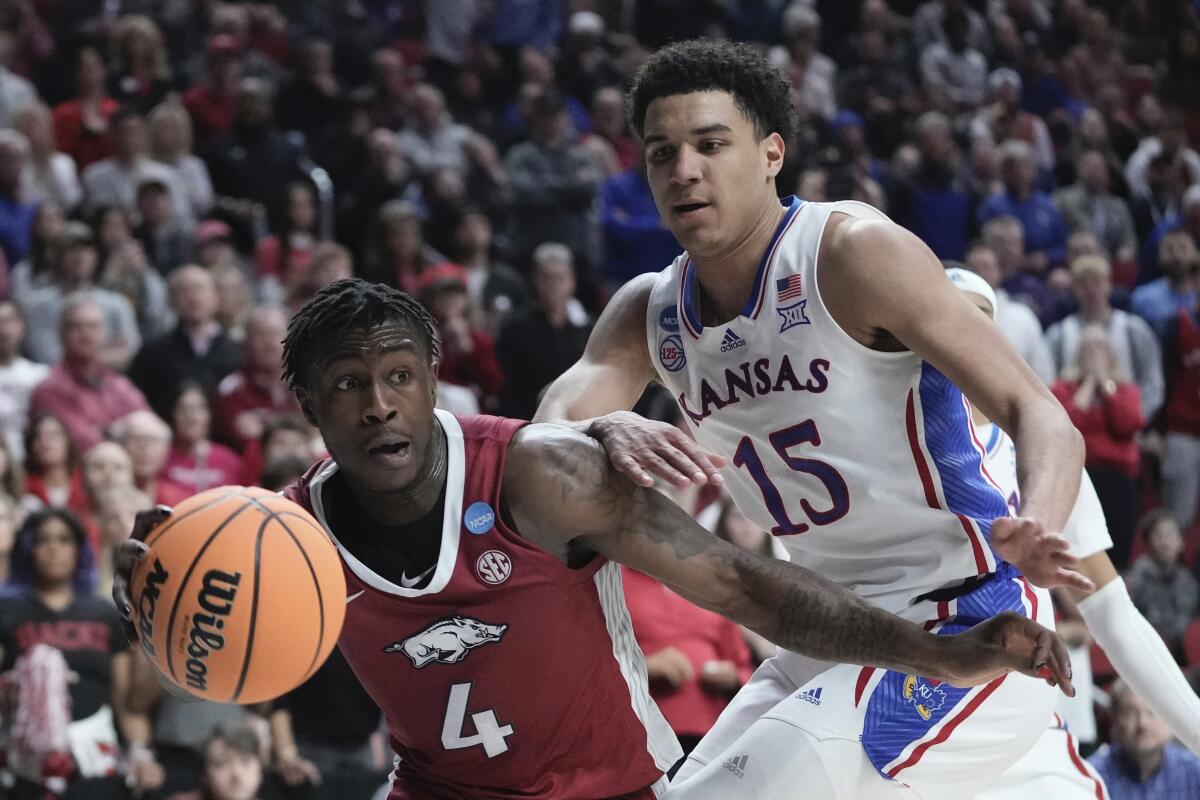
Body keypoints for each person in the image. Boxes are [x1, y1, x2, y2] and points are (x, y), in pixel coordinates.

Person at [114, 278, 1072, 799]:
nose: (378, 405)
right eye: (348, 386)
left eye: (398, 376)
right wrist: (159, 606)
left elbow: (745, 587)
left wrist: (933, 652)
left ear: (433, 378)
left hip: (604, 793)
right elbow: (233, 659)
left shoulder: (544, 477)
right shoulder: (289, 537)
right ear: (310, 406)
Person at [535, 39, 1089, 799]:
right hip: (830, 629)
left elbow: (1042, 414)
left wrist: (1041, 528)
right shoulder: (648, 313)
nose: (683, 169)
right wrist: (598, 427)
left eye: (709, 144)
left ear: (771, 152)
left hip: (971, 612)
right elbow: (547, 432)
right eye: (661, 152)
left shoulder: (850, 253)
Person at [946, 267, 1200, 798]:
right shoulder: (878, 444)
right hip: (905, 685)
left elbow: (1111, 612)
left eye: (976, 319)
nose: (955, 336)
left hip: (1014, 711)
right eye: (941, 318)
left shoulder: (1043, 452)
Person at [0, 508, 162, 799]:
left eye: (64, 540)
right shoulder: (7, 611)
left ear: (79, 550)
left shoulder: (103, 613)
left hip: (94, 755)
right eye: (42, 540)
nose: (53, 548)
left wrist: (141, 752)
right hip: (24, 762)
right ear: (28, 549)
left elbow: (125, 701)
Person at [1051, 325, 1145, 569]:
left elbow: (1127, 424)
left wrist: (1105, 383)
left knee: (1117, 544)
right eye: (1088, 348)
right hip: (1078, 474)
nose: (1094, 354)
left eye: (1100, 348)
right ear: (1078, 353)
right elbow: (1068, 426)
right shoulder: (1062, 388)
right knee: (1078, 545)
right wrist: (1090, 382)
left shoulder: (1126, 390)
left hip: (1118, 477)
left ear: (1111, 353)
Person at [27, 296, 148, 453]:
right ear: (61, 334)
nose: (86, 335)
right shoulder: (49, 390)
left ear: (104, 333)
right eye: (76, 327)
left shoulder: (118, 384)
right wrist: (123, 433)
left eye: (93, 326)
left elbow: (147, 428)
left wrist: (109, 432)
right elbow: (83, 443)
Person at [1089, 681, 1200, 798]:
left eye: (1152, 712)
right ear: (1115, 720)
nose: (1143, 723)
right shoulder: (1092, 776)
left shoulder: (1194, 771)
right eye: (1130, 712)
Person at [0, 300, 49, 462]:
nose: (4, 329)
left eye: (9, 321)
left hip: (34, 457)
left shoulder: (40, 374)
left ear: (21, 326)